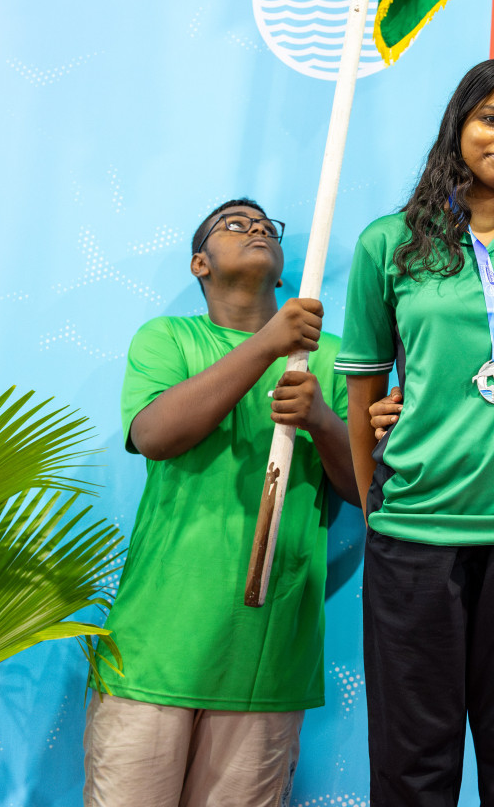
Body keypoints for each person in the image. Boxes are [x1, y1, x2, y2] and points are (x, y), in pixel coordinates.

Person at [335, 58, 494, 807]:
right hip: (414, 538)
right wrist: (376, 507)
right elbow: (362, 400)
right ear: (459, 125)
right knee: (413, 768)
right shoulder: (391, 243)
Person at [84, 198, 356, 807]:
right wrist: (268, 343)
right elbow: (154, 435)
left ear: (284, 268)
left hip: (266, 654)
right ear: (199, 264)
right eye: (235, 225)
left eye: (266, 228)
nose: (256, 229)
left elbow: (366, 491)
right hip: (154, 650)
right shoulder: (168, 338)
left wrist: (321, 421)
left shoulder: (332, 359)